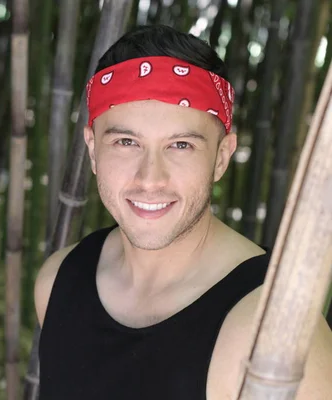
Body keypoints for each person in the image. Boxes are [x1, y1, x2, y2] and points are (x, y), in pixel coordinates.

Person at [34, 25, 332, 399]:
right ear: (93, 150)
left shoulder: (268, 339)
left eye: (180, 145)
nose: (150, 178)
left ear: (221, 157)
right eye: (127, 142)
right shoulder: (57, 283)